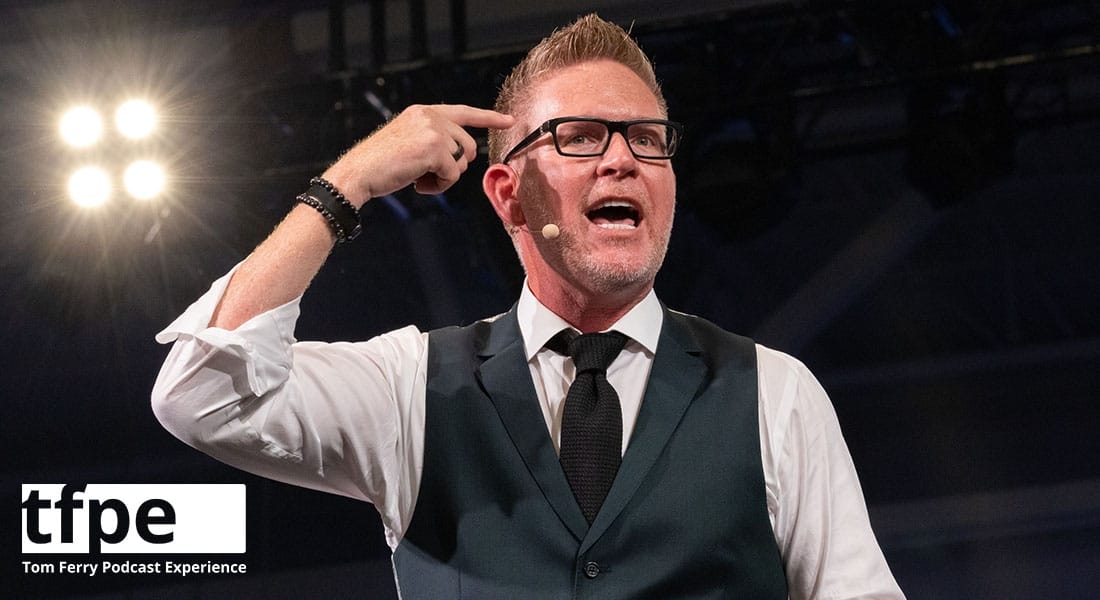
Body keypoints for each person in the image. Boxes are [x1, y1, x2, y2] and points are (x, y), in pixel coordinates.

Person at [152, 13, 904, 599]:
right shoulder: (412, 388)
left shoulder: (776, 393)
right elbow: (201, 396)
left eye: (648, 139)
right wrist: (347, 184)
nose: (622, 159)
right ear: (509, 195)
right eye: (580, 138)